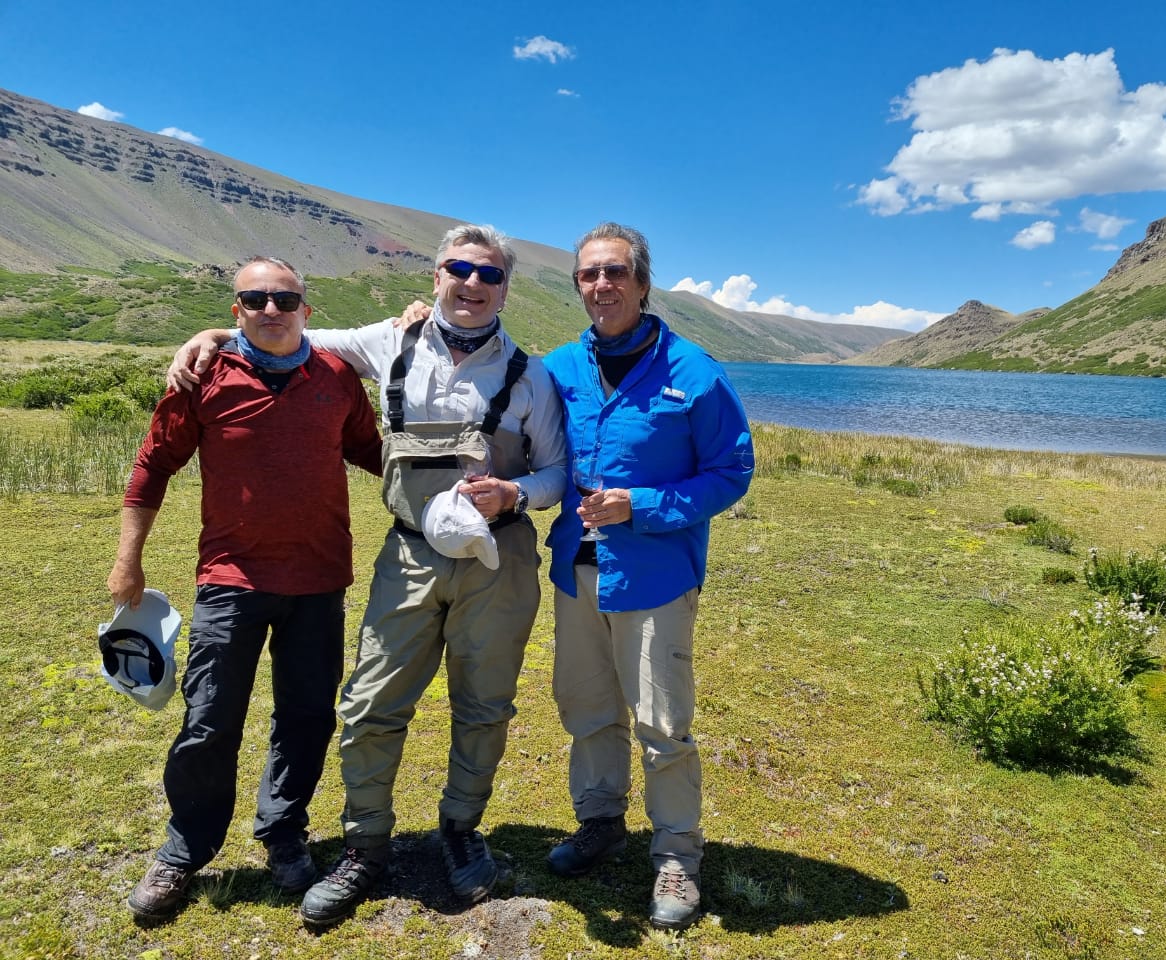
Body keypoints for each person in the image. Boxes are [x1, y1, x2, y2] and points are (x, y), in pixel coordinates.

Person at [166, 224, 566, 927]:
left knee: (485, 706)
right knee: (370, 703)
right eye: (458, 269)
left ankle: (461, 830)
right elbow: (285, 334)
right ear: (435, 276)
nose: (472, 284)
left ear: (507, 286)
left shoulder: (532, 376)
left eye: (489, 274)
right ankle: (365, 847)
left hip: (498, 564)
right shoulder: (386, 341)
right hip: (408, 556)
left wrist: (517, 494)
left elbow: (558, 471)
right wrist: (214, 335)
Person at [111, 256, 383, 922]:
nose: (270, 308)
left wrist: (463, 481)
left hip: (319, 581)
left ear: (306, 309)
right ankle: (184, 850)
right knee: (208, 721)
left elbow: (377, 454)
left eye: (284, 297)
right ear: (236, 310)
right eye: (255, 298)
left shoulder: (338, 377)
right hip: (230, 581)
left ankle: (284, 833)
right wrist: (128, 562)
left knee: (307, 716)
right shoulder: (203, 375)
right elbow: (153, 468)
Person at [541, 222, 754, 930]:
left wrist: (644, 505)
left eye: (615, 273)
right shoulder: (559, 369)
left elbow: (731, 472)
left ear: (641, 282)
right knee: (588, 711)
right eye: (589, 275)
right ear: (578, 285)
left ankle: (677, 856)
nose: (602, 285)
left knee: (662, 723)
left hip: (656, 576)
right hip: (575, 574)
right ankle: (600, 823)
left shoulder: (694, 371)